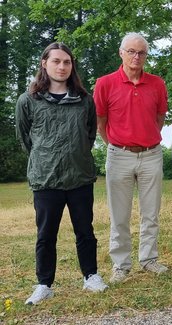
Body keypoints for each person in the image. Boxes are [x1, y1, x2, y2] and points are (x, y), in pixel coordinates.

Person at [15, 43, 108, 305]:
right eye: (56, 61)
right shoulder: (28, 101)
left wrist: (73, 156)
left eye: (67, 62)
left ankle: (91, 276)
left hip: (79, 177)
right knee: (45, 234)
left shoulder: (85, 100)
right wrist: (47, 158)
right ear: (44, 63)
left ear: (72, 66)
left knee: (85, 231)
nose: (62, 66)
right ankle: (44, 284)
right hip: (45, 179)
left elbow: (89, 135)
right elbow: (25, 138)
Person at [94, 32, 169, 283]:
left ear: (146, 55)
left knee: (151, 212)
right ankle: (121, 264)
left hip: (151, 154)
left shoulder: (157, 83)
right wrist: (116, 144)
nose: (136, 57)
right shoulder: (105, 83)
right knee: (120, 214)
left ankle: (149, 260)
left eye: (141, 53)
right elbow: (100, 121)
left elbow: (160, 118)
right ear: (121, 53)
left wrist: (146, 138)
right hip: (119, 155)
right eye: (131, 52)